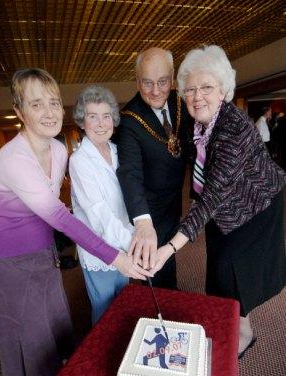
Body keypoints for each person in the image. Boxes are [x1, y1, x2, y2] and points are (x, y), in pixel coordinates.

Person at [0, 68, 150, 376]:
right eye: (36, 104)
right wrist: (116, 257)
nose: (48, 112)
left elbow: (53, 210)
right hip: (6, 254)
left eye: (54, 102)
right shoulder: (13, 159)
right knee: (28, 325)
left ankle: (61, 371)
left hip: (43, 248)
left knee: (56, 316)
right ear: (19, 111)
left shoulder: (60, 151)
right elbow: (60, 214)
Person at [150, 45, 286, 358]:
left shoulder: (233, 127)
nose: (198, 96)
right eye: (191, 89)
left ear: (223, 89)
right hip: (223, 207)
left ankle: (243, 334)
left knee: (234, 270)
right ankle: (236, 323)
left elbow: (213, 195)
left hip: (256, 206)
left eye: (207, 87)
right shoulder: (196, 121)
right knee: (220, 267)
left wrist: (169, 247)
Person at [116, 47, 191, 289]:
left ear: (172, 78)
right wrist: (143, 222)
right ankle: (154, 313)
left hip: (172, 202)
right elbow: (130, 173)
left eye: (162, 81)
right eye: (147, 83)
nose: (156, 91)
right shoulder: (129, 120)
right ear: (137, 82)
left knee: (168, 256)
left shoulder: (182, 103)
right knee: (149, 266)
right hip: (148, 209)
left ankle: (171, 294)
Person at [69, 85, 134, 325]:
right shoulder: (79, 161)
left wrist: (134, 240)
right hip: (100, 250)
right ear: (82, 121)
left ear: (113, 120)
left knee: (123, 301)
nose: (100, 123)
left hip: (126, 241)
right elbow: (99, 213)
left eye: (106, 116)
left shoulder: (119, 151)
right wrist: (134, 246)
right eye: (92, 116)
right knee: (104, 309)